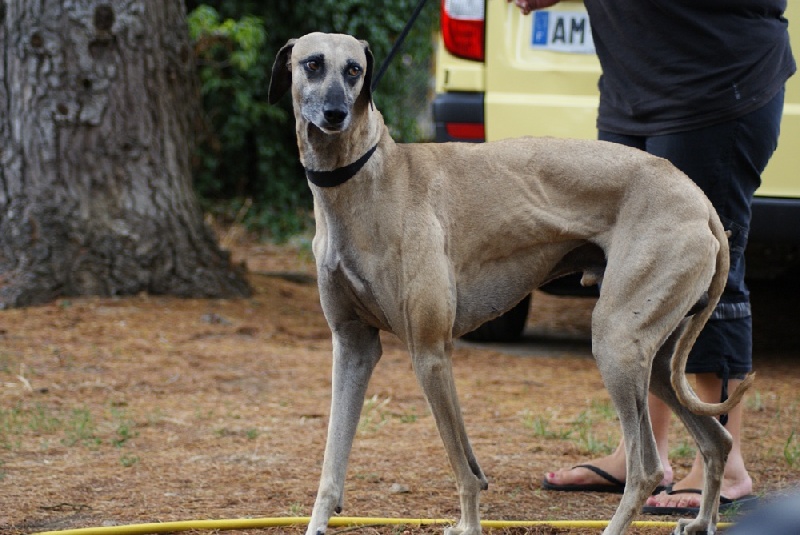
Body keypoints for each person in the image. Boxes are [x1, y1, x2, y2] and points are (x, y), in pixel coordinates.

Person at [508, 0, 795, 514]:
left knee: (707, 274)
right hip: (633, 91)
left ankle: (725, 466)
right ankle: (642, 453)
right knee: (636, 277)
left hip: (716, 89)